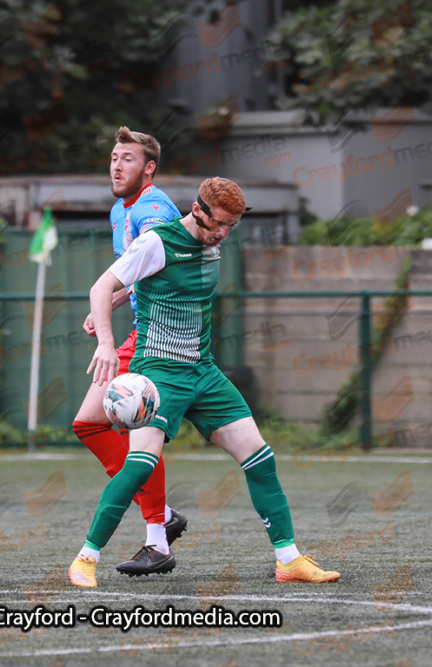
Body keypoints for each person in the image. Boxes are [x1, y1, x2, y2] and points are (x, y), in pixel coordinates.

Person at [68, 177, 340, 587]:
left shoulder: (213, 241)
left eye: (233, 226)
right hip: (159, 374)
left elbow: (137, 283)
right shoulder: (157, 241)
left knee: (260, 459)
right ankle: (85, 560)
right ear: (198, 210)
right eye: (220, 224)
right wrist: (106, 341)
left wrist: (121, 298)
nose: (224, 234)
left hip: (204, 372)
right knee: (139, 467)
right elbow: (102, 284)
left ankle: (289, 559)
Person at [72, 126, 187, 576]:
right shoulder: (122, 209)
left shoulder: (154, 210)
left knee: (135, 433)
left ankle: (157, 538)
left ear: (149, 167)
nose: (117, 166)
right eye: (114, 158)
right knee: (89, 424)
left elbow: (164, 257)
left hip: (161, 337)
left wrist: (106, 328)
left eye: (128, 159)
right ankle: (161, 516)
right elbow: (140, 274)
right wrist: (114, 300)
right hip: (141, 330)